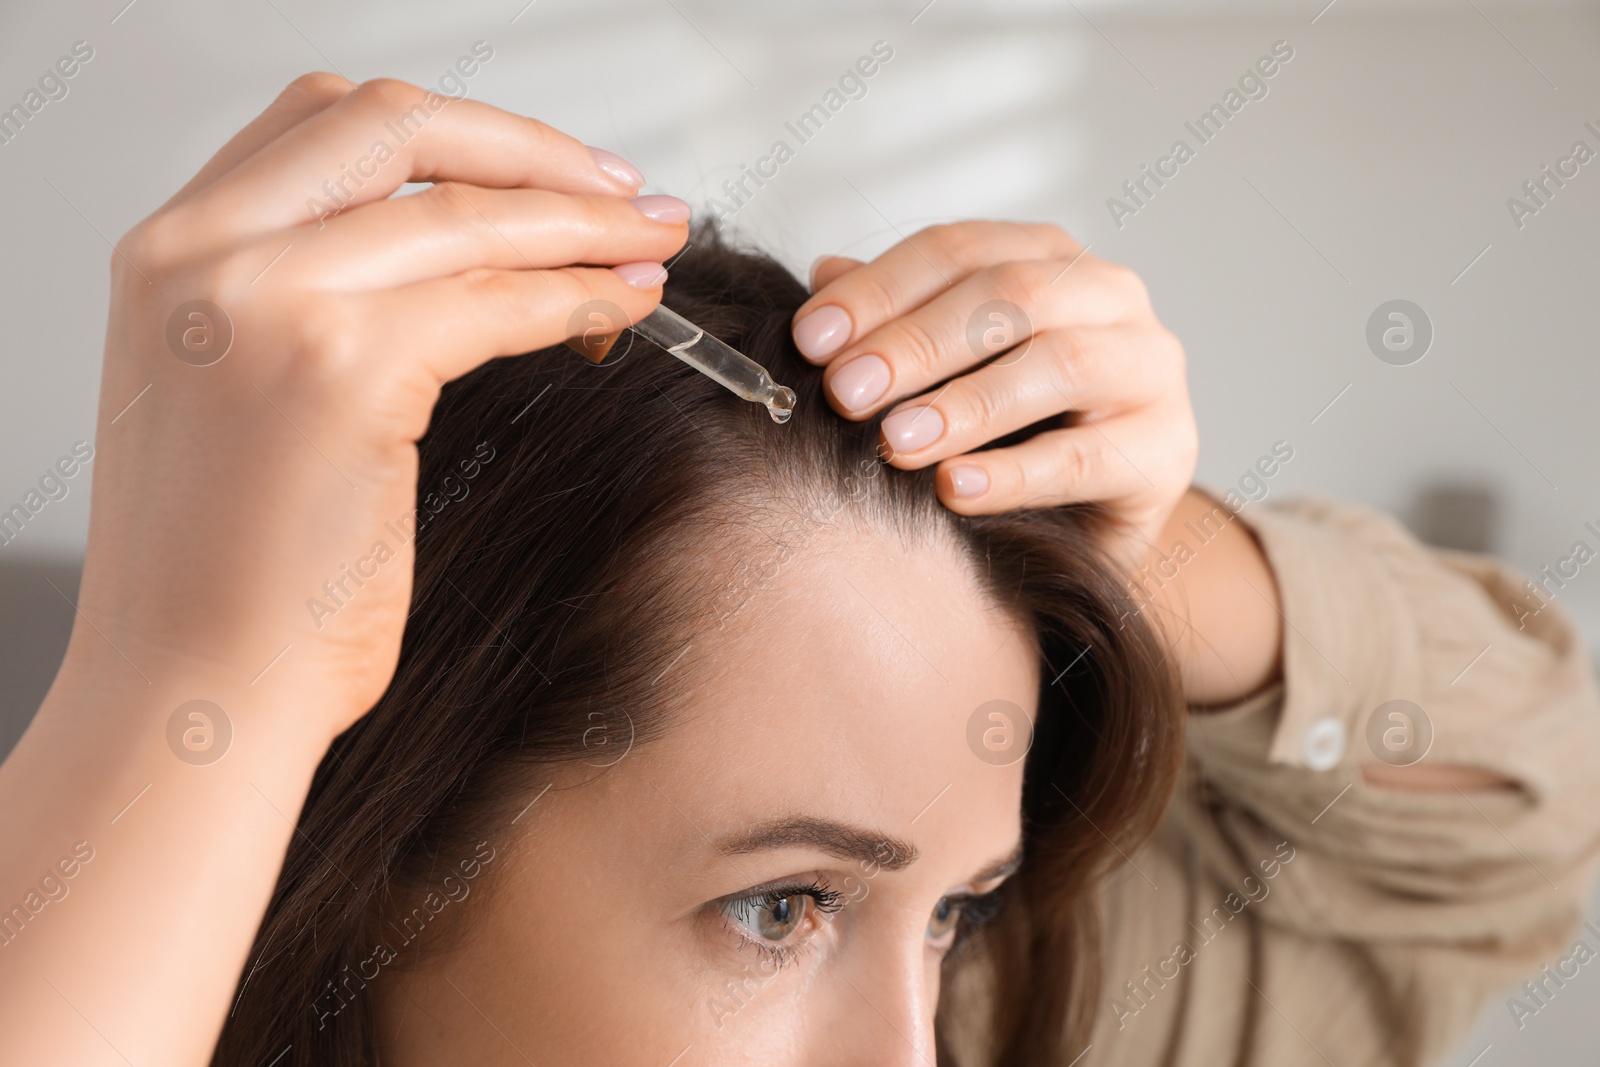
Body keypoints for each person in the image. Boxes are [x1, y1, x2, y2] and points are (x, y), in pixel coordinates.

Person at [1, 73, 1596, 1067]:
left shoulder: (1019, 1021)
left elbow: (1545, 816)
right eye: (782, 905)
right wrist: (191, 683)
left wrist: (1129, 557)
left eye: (960, 911)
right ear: (397, 839)